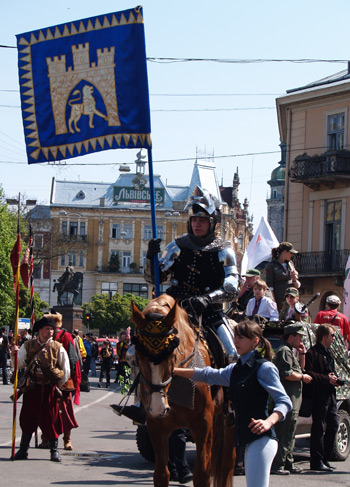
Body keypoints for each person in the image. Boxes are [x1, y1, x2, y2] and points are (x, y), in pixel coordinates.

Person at [173, 320, 292, 487]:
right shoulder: (236, 369)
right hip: (246, 438)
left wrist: (268, 422)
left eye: (241, 338)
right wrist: (172, 371)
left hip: (262, 440)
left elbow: (284, 401)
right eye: (235, 336)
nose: (236, 342)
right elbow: (206, 374)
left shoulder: (264, 368)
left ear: (255, 341)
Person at [145, 186, 239, 362]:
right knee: (144, 343)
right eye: (194, 219)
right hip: (175, 309)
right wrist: (150, 257)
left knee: (233, 354)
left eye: (202, 220)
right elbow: (153, 278)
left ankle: (229, 387)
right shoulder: (176, 247)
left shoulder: (224, 251)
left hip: (209, 312)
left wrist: (208, 299)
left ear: (212, 222)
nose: (197, 224)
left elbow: (232, 288)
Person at [10, 316, 70, 462]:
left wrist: (57, 385)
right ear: (40, 330)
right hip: (32, 389)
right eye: (47, 329)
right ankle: (23, 450)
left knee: (51, 419)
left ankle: (54, 451)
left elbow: (65, 370)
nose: (50, 331)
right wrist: (14, 354)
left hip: (49, 388)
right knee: (28, 419)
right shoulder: (28, 345)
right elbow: (19, 364)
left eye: (51, 329)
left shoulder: (58, 347)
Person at [271, 323, 313, 475]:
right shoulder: (284, 351)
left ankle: (288, 462)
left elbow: (300, 369)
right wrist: (303, 377)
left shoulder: (290, 351)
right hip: (288, 398)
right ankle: (278, 465)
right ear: (291, 336)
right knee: (284, 433)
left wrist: (302, 354)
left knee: (290, 433)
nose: (301, 340)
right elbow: (288, 374)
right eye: (299, 337)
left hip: (294, 399)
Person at [305, 323, 341, 471]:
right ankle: (317, 460)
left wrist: (336, 379)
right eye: (332, 335)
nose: (334, 338)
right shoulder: (312, 353)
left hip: (330, 394)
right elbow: (309, 373)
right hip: (319, 394)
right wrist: (327, 379)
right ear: (324, 336)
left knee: (333, 424)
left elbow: (331, 371)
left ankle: (325, 458)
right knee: (318, 427)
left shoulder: (329, 352)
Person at [265, 242, 301, 312]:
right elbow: (270, 285)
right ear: (285, 252)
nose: (292, 255)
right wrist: (273, 301)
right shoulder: (271, 265)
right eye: (290, 253)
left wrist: (294, 278)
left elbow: (297, 285)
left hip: (292, 297)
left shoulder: (290, 264)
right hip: (280, 298)